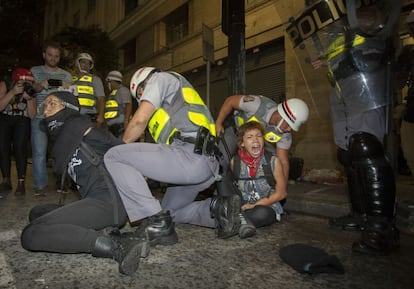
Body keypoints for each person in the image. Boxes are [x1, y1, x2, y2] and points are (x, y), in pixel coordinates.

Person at [20, 91, 149, 275]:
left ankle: (115, 246)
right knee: (37, 213)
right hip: (95, 200)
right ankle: (104, 231)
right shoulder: (66, 140)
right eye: (45, 106)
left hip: (108, 202)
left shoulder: (83, 129)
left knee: (31, 234)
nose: (46, 111)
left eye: (52, 104)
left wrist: (140, 182)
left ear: (69, 108)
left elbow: (120, 149)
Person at [307, 3, 399, 254]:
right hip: (341, 79)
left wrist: (340, 20)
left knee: (366, 145)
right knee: (346, 151)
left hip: (366, 70)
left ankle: (382, 228)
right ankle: (360, 215)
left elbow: (379, 15)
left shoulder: (350, 8)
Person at [104, 67, 220, 246]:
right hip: (204, 164)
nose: (142, 98)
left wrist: (121, 149)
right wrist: (139, 171)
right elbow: (163, 155)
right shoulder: (170, 107)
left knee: (114, 156)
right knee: (169, 213)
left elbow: (138, 121)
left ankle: (153, 220)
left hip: (190, 156)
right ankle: (218, 209)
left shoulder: (161, 78)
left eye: (140, 95)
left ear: (142, 87)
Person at [215, 95, 309, 184]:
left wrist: (281, 187)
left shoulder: (285, 134)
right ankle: (218, 188)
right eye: (289, 125)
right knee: (221, 161)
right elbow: (230, 101)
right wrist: (218, 123)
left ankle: (259, 187)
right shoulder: (256, 105)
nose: (289, 129)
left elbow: (283, 161)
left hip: (254, 143)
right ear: (282, 116)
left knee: (272, 159)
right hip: (235, 132)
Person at [228, 121, 287, 238]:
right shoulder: (235, 162)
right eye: (250, 137)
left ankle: (234, 221)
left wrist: (255, 205)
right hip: (244, 206)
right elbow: (233, 186)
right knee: (222, 182)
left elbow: (281, 193)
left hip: (265, 207)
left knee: (262, 213)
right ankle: (239, 221)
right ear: (242, 143)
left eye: (259, 136)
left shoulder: (273, 161)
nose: (255, 140)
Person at [30, 40, 73, 196]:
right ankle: (40, 186)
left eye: (56, 56)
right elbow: (31, 87)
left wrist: (67, 86)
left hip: (61, 119)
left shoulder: (67, 75)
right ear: (44, 55)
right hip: (40, 117)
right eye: (50, 55)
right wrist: (40, 85)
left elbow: (72, 95)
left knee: (62, 152)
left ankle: (62, 182)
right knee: (39, 152)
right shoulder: (35, 71)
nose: (53, 58)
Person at [0, 69, 37, 196]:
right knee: (2, 147)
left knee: (20, 147)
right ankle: (6, 180)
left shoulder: (30, 89)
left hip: (22, 119)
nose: (26, 84)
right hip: (4, 118)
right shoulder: (5, 84)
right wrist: (12, 93)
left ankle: (21, 182)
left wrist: (30, 99)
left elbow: (32, 115)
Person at [73, 52, 105, 126]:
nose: (86, 66)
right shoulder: (71, 79)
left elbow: (101, 99)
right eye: (83, 62)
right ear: (77, 63)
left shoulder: (95, 79)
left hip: (89, 116)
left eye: (88, 64)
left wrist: (101, 115)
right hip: (73, 116)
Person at [104, 70, 132, 138]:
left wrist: (126, 122)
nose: (108, 84)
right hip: (112, 128)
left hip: (120, 127)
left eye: (109, 81)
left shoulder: (123, 90)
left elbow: (128, 105)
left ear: (113, 81)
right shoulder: (113, 93)